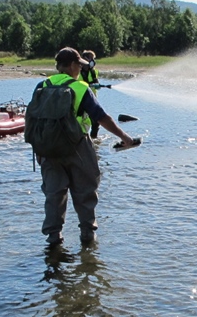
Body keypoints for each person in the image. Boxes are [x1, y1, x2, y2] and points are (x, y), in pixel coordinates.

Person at [35, 47, 134, 246]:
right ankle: (88, 237)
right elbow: (102, 117)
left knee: (54, 193)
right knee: (85, 189)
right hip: (77, 146)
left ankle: (54, 240)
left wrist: (38, 149)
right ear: (72, 65)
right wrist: (125, 136)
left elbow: (33, 120)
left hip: (47, 149)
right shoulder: (80, 87)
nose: (80, 70)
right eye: (78, 66)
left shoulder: (41, 85)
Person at [79, 50, 102, 139]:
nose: (92, 61)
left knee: (96, 122)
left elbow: (96, 82)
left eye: (93, 59)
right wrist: (89, 85)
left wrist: (97, 85)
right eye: (91, 58)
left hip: (92, 100)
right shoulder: (77, 72)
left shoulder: (94, 72)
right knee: (81, 121)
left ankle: (94, 140)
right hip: (80, 101)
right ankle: (81, 139)